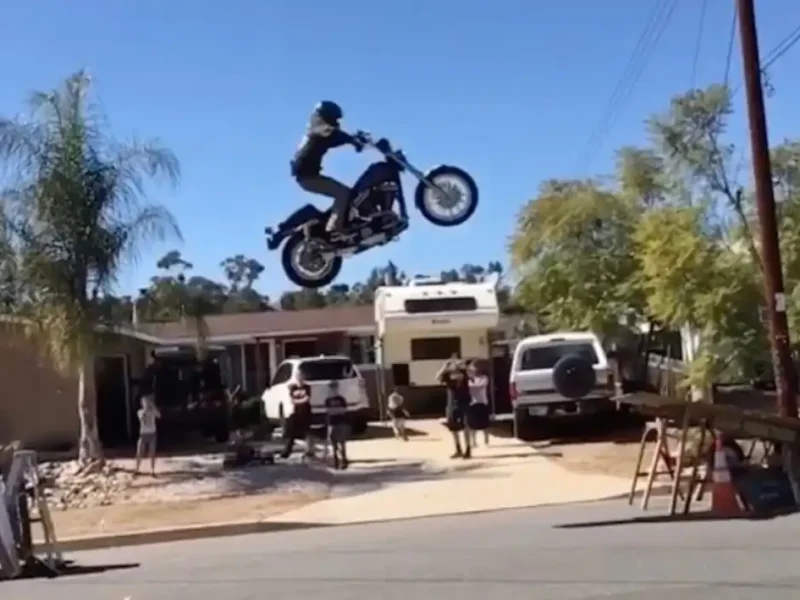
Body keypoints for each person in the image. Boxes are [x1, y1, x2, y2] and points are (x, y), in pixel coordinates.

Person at [291, 101, 365, 238]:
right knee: (343, 193)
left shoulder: (316, 128)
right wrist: (353, 140)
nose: (336, 122)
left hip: (309, 175)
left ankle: (346, 219)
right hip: (308, 177)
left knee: (348, 193)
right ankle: (335, 227)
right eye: (334, 118)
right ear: (327, 117)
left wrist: (353, 140)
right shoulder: (320, 130)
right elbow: (335, 137)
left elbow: (335, 137)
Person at [436, 357, 472, 459]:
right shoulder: (447, 374)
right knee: (453, 428)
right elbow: (437, 378)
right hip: (451, 404)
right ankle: (458, 449)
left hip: (464, 403)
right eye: (453, 362)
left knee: (465, 427)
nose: (455, 364)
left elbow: (472, 375)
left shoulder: (464, 372)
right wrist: (445, 366)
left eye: (456, 362)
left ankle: (468, 449)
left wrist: (464, 366)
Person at [280, 371, 313, 459]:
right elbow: (291, 400)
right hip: (296, 413)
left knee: (307, 432)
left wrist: (297, 401)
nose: (300, 378)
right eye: (298, 376)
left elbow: (307, 399)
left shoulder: (307, 387)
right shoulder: (293, 388)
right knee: (291, 432)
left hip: (306, 413)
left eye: (301, 376)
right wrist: (300, 401)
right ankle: (287, 451)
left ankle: (309, 450)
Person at [324, 380, 350, 470]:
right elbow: (329, 412)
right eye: (331, 387)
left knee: (342, 444)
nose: (333, 389)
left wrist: (335, 411)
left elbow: (344, 410)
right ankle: (336, 462)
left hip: (341, 423)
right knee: (334, 444)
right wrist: (337, 410)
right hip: (332, 424)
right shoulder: (327, 400)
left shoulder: (341, 399)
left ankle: (344, 460)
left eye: (335, 387)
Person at [135, 395, 161, 476]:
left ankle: (152, 470)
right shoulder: (140, 412)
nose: (146, 404)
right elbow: (141, 418)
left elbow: (159, 416)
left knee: (152, 452)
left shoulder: (153, 411)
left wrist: (153, 407)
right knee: (139, 452)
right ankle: (137, 469)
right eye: (144, 402)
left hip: (152, 434)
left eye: (147, 402)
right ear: (142, 404)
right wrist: (146, 411)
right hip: (143, 434)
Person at [466, 361, 490, 447]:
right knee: (472, 424)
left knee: (485, 424)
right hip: (473, 403)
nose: (474, 370)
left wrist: (471, 382)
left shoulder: (484, 378)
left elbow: (479, 386)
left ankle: (486, 441)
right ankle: (474, 442)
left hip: (482, 402)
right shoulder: (468, 380)